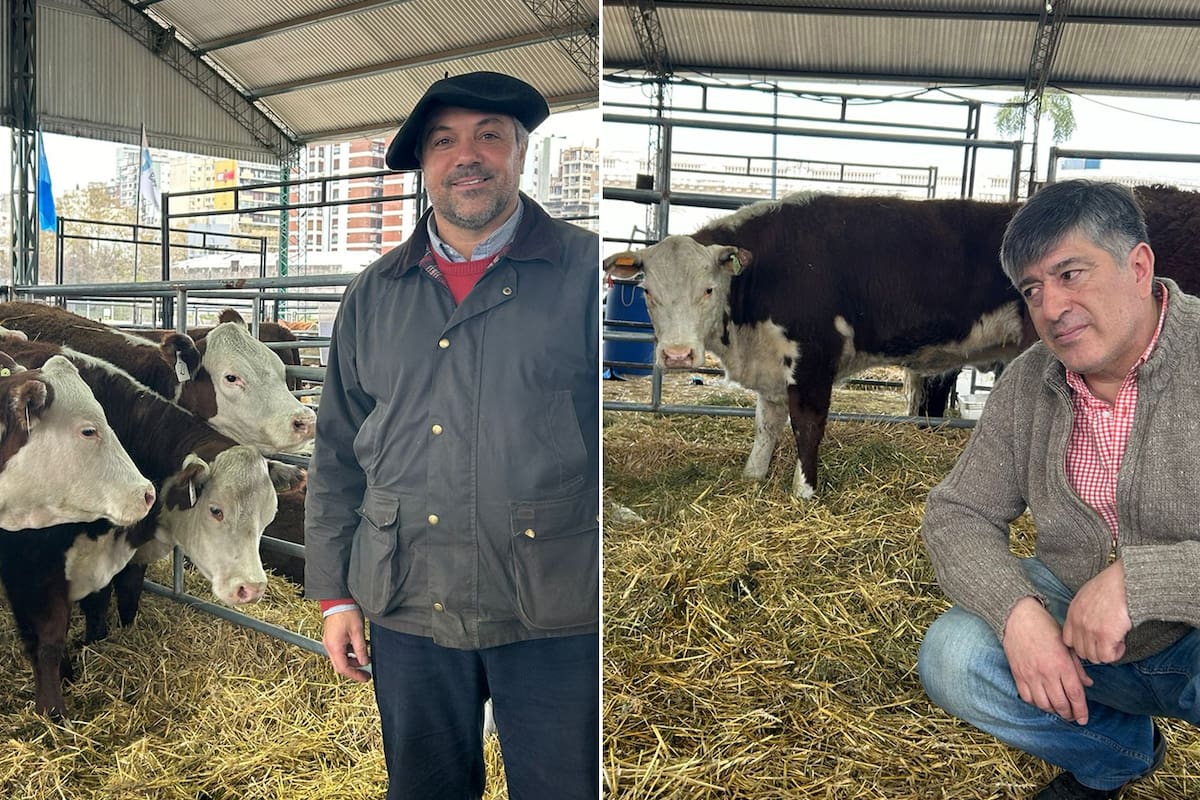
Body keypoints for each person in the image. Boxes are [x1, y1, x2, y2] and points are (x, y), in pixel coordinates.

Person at [304, 71, 599, 800]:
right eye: (444, 142)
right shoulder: (374, 293)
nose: (467, 155)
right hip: (409, 596)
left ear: (522, 152)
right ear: (425, 167)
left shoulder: (585, 273)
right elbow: (338, 450)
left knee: (562, 784)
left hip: (554, 603)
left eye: (488, 136)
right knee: (424, 785)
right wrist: (336, 597)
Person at [917, 179, 1200, 799]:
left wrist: (1144, 579)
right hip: (1080, 632)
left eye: (1071, 274)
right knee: (954, 654)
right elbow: (956, 513)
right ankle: (1116, 756)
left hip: (1191, 636)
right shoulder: (1029, 382)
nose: (1050, 307)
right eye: (1033, 289)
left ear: (1138, 265)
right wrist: (1018, 615)